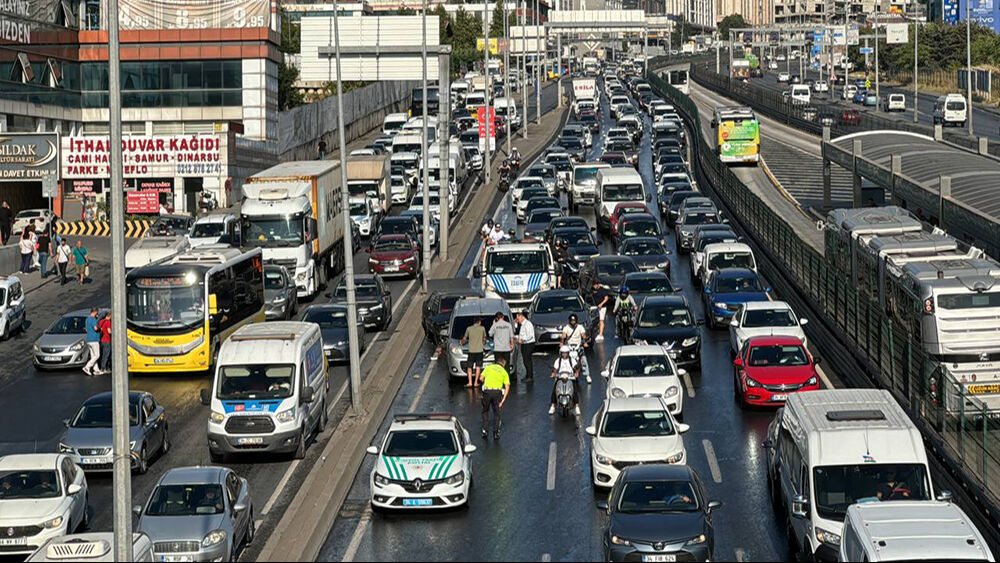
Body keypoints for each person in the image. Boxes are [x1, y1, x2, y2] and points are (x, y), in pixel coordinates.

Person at [478, 357, 511, 440]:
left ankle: (485, 431)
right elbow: (507, 387)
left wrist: (485, 382)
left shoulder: (488, 367)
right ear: (503, 364)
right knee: (496, 413)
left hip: (487, 391)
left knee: (485, 411)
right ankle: (496, 433)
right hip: (497, 393)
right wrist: (503, 400)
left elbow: (481, 378)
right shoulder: (504, 372)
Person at [548, 345, 580, 416]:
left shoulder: (572, 360)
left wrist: (576, 374)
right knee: (555, 389)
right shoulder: (558, 361)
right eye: (563, 353)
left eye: (566, 353)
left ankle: (576, 406)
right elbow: (555, 369)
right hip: (560, 377)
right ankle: (553, 405)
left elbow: (576, 368)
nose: (564, 354)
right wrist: (553, 374)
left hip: (570, 377)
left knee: (574, 390)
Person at [561, 313, 591, 383]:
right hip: (569, 346)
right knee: (564, 359)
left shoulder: (580, 327)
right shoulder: (566, 327)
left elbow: (583, 334)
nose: (573, 322)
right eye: (571, 321)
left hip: (578, 345)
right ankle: (565, 373)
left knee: (583, 360)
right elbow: (563, 335)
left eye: (574, 321)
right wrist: (562, 342)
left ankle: (587, 375)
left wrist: (584, 340)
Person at [460, 316, 487, 388]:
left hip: (471, 351)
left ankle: (470, 382)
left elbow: (465, 338)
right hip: (479, 351)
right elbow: (484, 339)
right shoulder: (482, 328)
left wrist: (461, 342)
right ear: (479, 322)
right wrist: (483, 343)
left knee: (469, 367)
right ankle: (476, 382)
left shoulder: (469, 328)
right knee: (478, 366)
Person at [515, 310, 535, 381]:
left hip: (528, 344)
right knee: (525, 360)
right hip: (524, 344)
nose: (517, 320)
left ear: (522, 317)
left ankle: (530, 376)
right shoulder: (523, 325)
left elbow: (530, 335)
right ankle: (528, 375)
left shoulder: (528, 324)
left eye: (518, 318)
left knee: (527, 360)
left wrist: (523, 340)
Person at [83, 307, 101, 376]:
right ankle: (87, 367)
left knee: (93, 356)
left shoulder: (87, 319)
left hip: (89, 339)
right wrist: (100, 328)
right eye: (97, 312)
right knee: (97, 355)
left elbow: (87, 329)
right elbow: (96, 328)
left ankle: (96, 370)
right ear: (95, 312)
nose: (98, 314)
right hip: (94, 339)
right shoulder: (93, 319)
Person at [97, 310, 112, 374]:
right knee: (106, 355)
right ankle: (103, 368)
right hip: (107, 340)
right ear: (110, 315)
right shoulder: (108, 322)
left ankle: (103, 367)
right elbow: (109, 331)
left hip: (102, 340)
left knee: (103, 354)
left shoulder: (101, 321)